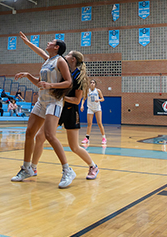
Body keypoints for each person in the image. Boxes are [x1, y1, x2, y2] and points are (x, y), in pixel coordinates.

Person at [11, 33, 74, 189]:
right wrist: (27, 75)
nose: (48, 42)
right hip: (42, 100)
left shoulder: (60, 61)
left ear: (57, 47)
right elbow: (40, 82)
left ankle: (68, 170)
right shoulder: (47, 61)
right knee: (29, 132)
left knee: (49, 135)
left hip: (54, 101)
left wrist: (50, 86)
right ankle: (27, 169)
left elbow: (68, 82)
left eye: (51, 42)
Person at [31, 50, 100, 180]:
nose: (65, 56)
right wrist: (29, 44)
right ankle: (33, 167)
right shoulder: (62, 67)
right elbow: (46, 56)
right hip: (58, 108)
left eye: (68, 54)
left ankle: (93, 166)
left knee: (74, 146)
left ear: (73, 59)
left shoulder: (79, 78)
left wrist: (60, 97)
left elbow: (77, 101)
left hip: (70, 111)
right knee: (40, 137)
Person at [81, 79, 107, 145]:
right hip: (90, 108)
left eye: (93, 83)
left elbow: (103, 98)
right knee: (89, 124)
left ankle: (104, 137)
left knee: (99, 123)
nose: (92, 84)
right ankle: (87, 138)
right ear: (90, 84)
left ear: (95, 84)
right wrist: (82, 106)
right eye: (91, 82)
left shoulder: (98, 91)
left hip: (97, 108)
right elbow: (84, 99)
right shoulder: (87, 91)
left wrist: (98, 100)